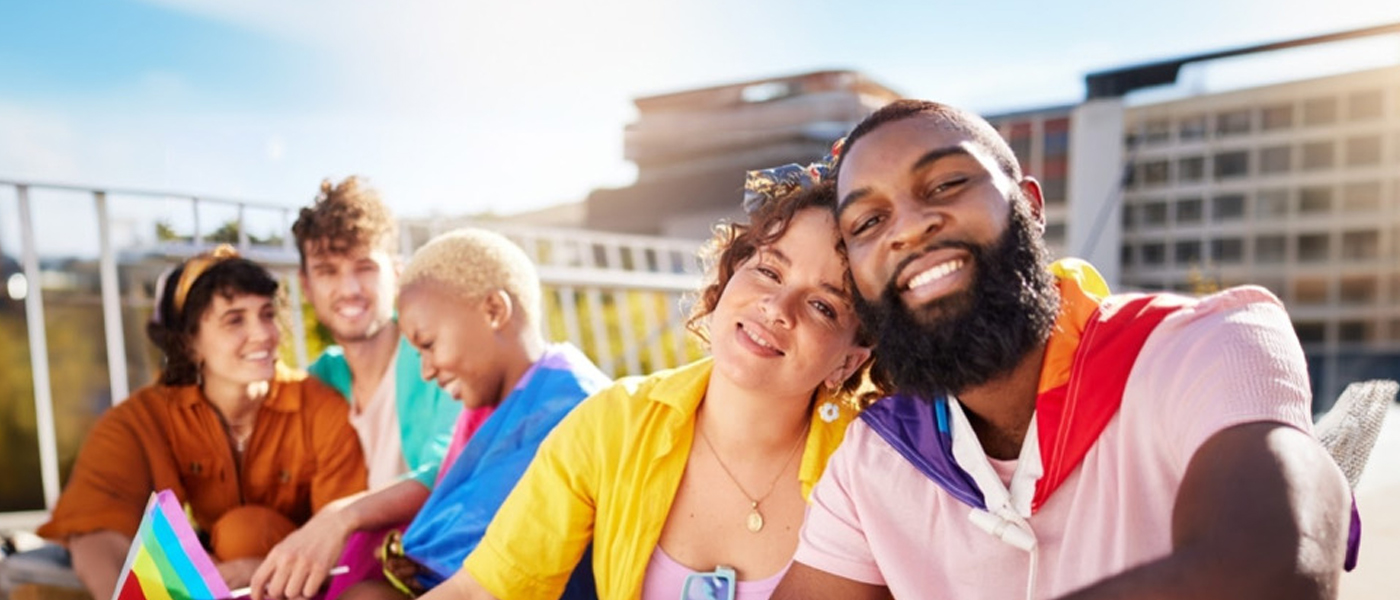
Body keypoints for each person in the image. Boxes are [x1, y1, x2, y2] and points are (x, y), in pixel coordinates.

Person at [772, 100, 1356, 600]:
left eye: (947, 184)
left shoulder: (1206, 345)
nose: (908, 228)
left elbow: (1272, 562)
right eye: (868, 221)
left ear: (1028, 206)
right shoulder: (873, 459)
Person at [422, 180, 876, 600]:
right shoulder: (612, 422)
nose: (777, 308)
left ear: (849, 360)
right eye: (769, 272)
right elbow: (484, 589)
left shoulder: (872, 465)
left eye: (822, 305)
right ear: (731, 274)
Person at [254, 228, 610, 600]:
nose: (425, 370)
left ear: (493, 310)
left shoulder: (571, 408)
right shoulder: (500, 407)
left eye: (428, 345)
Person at [36, 245, 367, 600]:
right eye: (235, 320)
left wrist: (259, 566)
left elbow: (347, 541)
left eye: (268, 314)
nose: (263, 335)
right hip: (187, 589)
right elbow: (94, 530)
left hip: (296, 587)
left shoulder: (320, 408)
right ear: (189, 343)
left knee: (243, 531)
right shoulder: (141, 419)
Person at [247, 177, 462, 600]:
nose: (348, 289)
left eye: (364, 267)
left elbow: (452, 466)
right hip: (352, 574)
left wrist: (342, 516)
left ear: (396, 274)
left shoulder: (436, 357)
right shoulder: (317, 383)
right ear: (307, 285)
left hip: (438, 576)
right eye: (328, 271)